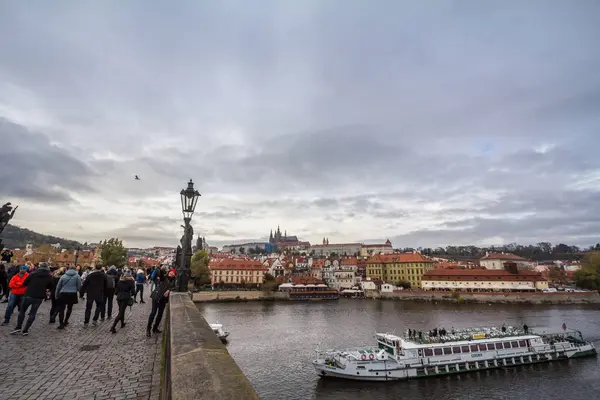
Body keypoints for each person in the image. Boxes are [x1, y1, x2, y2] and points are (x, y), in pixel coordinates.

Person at [10, 262, 52, 335]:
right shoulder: (49, 276)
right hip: (39, 297)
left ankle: (18, 327)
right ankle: (25, 330)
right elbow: (49, 287)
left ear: (40, 267)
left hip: (29, 294)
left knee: (22, 311)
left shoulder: (33, 274)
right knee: (33, 313)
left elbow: (25, 283)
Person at [146, 269, 176, 337]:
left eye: (173, 273)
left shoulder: (174, 281)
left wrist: (169, 290)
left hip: (163, 299)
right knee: (153, 313)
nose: (172, 273)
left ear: (174, 274)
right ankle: (148, 329)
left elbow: (175, 287)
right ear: (168, 272)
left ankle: (155, 328)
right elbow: (161, 274)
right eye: (171, 272)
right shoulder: (164, 278)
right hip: (156, 296)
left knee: (160, 314)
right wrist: (162, 269)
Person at [55, 265, 82, 329]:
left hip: (63, 293)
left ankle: (61, 324)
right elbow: (79, 286)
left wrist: (56, 295)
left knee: (62, 309)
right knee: (69, 308)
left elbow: (58, 287)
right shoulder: (77, 276)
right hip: (72, 293)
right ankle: (66, 321)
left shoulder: (63, 276)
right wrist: (78, 291)